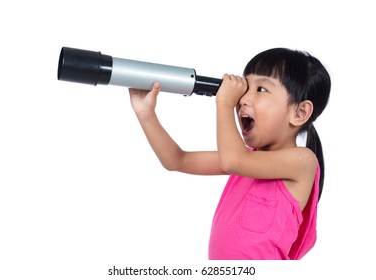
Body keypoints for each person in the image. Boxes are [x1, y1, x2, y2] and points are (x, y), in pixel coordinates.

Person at [128, 48, 331, 260]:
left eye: (261, 89)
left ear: (300, 113)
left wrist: (224, 103)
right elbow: (177, 160)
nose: (241, 100)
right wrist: (146, 113)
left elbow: (233, 160)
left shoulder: (302, 161)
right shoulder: (247, 160)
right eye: (244, 89)